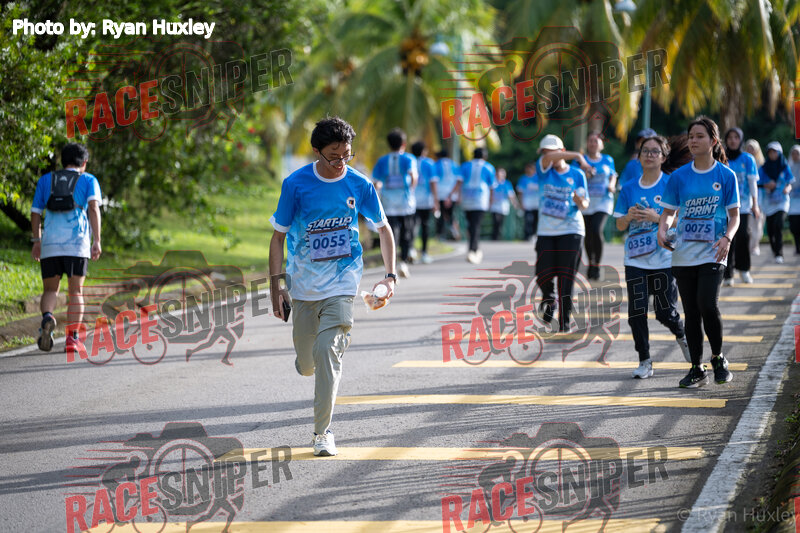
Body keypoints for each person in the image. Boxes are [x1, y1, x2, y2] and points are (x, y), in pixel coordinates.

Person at [269, 117, 396, 457]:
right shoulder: (296, 184)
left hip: (342, 282)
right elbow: (278, 237)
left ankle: (322, 433)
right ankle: (310, 358)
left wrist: (390, 275)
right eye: (333, 156)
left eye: (346, 155)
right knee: (308, 362)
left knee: (327, 352)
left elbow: (383, 228)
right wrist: (276, 287)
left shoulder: (359, 184)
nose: (341, 162)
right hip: (303, 286)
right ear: (317, 151)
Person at [657, 116, 739, 388]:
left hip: (714, 251)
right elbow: (668, 212)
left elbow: (735, 216)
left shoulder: (726, 176)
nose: (693, 140)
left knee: (707, 304)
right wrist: (662, 229)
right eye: (691, 136)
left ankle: (718, 358)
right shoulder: (678, 177)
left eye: (699, 136)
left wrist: (727, 237)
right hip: (684, 253)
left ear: (713, 141)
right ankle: (696, 368)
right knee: (691, 312)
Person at [613, 135, 690, 378]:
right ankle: (645, 360)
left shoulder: (671, 184)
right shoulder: (629, 188)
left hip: (664, 259)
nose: (649, 155)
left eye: (655, 151)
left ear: (663, 158)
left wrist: (657, 218)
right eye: (645, 151)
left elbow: (683, 219)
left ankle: (682, 335)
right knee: (636, 313)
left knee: (665, 312)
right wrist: (628, 217)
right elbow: (618, 224)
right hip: (634, 259)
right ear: (639, 157)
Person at [31, 143, 102, 354]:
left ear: (62, 161)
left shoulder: (46, 180)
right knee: (76, 291)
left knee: (50, 290)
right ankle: (72, 339)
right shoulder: (88, 180)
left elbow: (35, 213)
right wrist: (97, 240)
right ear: (84, 162)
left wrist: (37, 241)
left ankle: (47, 317)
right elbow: (93, 208)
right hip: (76, 244)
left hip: (50, 244)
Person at [534, 134, 593, 332]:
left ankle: (564, 320)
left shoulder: (577, 174)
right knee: (542, 274)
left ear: (562, 151)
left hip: (572, 229)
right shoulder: (543, 169)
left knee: (566, 277)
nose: (549, 155)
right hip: (546, 231)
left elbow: (585, 204)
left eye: (553, 151)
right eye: (545, 152)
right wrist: (577, 155)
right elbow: (548, 159)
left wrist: (579, 201)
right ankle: (550, 299)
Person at [372, 128, 417, 277]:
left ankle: (393, 265)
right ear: (403, 143)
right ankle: (403, 262)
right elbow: (413, 176)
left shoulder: (382, 160)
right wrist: (411, 190)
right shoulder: (409, 158)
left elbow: (376, 182)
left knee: (392, 233)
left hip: (388, 203)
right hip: (405, 203)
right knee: (407, 232)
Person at [722, 127, 760, 285]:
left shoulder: (748, 159)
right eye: (730, 137)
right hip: (723, 207)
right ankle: (728, 274)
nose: (732, 140)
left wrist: (755, 205)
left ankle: (744, 270)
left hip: (743, 206)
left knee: (743, 236)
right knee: (727, 239)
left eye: (736, 137)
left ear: (741, 140)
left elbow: (752, 183)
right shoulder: (721, 157)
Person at [578, 131, 617, 280]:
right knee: (588, 234)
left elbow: (613, 175)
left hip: (603, 201)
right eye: (590, 141)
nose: (593, 144)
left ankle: (597, 264)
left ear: (601, 144)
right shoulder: (581, 160)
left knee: (596, 229)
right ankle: (591, 263)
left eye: (596, 141)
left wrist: (612, 185)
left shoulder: (607, 159)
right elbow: (576, 178)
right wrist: (586, 174)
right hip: (586, 202)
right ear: (587, 143)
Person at [452, 147, 497, 264]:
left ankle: (473, 248)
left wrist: (454, 195)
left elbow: (459, 182)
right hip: (480, 200)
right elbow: (492, 187)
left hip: (467, 199)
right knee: (476, 225)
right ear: (484, 156)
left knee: (471, 225)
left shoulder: (465, 166)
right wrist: (491, 200)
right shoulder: (489, 167)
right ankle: (473, 250)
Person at [758, 141, 795, 263]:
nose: (772, 154)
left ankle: (779, 253)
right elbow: (757, 184)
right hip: (768, 203)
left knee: (778, 225)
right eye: (770, 152)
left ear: (779, 153)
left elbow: (790, 182)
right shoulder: (763, 168)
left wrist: (787, 188)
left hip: (782, 202)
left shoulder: (785, 166)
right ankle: (775, 250)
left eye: (774, 152)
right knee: (770, 230)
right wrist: (766, 185)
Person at [410, 141, 439, 264]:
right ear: (423, 151)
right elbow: (433, 183)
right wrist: (436, 201)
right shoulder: (429, 163)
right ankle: (424, 253)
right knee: (425, 226)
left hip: (410, 200)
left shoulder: (409, 160)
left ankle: (410, 250)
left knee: (411, 226)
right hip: (426, 201)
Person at [744, 139, 766, 256]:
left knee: (758, 223)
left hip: (760, 198)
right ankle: (748, 246)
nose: (750, 150)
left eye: (752, 148)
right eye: (748, 147)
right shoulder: (742, 163)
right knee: (747, 224)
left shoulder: (762, 165)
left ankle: (755, 245)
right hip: (746, 198)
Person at [434, 149, 460, 240]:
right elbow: (458, 181)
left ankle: (440, 235)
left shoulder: (436, 165)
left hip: (440, 194)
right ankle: (454, 231)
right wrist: (451, 195)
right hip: (452, 195)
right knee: (451, 215)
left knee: (440, 215)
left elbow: (433, 181)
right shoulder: (454, 165)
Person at [489, 168, 520, 240]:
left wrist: (515, 203)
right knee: (496, 220)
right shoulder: (493, 183)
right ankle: (495, 237)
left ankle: (498, 236)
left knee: (500, 221)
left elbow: (511, 195)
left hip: (503, 205)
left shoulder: (507, 183)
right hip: (494, 205)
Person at [516, 162, 539, 241]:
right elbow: (520, 192)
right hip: (527, 204)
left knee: (536, 220)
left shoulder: (538, 178)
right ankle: (527, 236)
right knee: (528, 220)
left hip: (537, 204)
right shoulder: (523, 179)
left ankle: (534, 235)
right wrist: (521, 203)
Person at [789, 145, 800, 255]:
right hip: (792, 202)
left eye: (797, 153)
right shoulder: (789, 167)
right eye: (793, 154)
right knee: (794, 227)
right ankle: (797, 247)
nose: (795, 156)